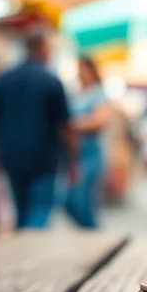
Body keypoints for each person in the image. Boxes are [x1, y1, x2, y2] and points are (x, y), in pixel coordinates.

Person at [0, 30, 75, 230]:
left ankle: (20, 251)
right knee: (40, 210)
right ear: (43, 48)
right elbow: (65, 126)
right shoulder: (51, 81)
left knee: (21, 210)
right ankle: (28, 253)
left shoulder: (4, 78)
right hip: (43, 158)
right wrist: (73, 161)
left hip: (11, 156)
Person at [64, 57, 111, 229]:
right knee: (69, 200)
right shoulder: (76, 94)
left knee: (83, 202)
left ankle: (93, 235)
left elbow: (100, 121)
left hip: (91, 156)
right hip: (74, 155)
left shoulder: (99, 94)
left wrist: (72, 124)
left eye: (82, 68)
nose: (80, 73)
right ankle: (90, 233)